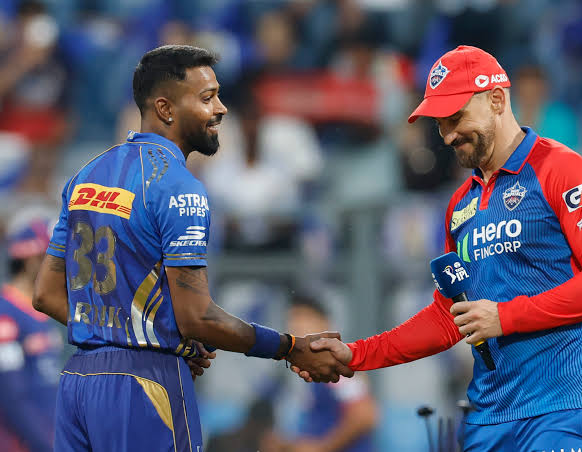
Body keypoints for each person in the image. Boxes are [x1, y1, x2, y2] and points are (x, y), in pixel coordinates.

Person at [296, 45, 582, 451]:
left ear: (497, 100)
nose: (447, 135)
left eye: (455, 118)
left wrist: (506, 317)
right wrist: (354, 355)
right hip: (487, 417)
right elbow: (448, 316)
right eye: (440, 124)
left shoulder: (562, 169)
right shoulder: (459, 206)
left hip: (562, 408)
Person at [31, 45, 353, 452]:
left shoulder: (84, 176)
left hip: (78, 382)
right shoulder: (178, 187)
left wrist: (132, 334)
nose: (221, 109)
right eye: (207, 98)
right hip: (144, 384)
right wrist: (290, 347)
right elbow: (198, 317)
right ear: (165, 109)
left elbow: (45, 295)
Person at [269, 293, 378, 452]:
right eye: (292, 318)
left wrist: (322, 447)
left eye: (304, 317)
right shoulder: (300, 369)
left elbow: (364, 414)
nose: (296, 325)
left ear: (325, 323)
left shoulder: (334, 363)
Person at [0, 210, 63, 452]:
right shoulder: (6, 314)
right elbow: (12, 395)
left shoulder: (43, 311)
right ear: (32, 261)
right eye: (53, 257)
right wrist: (47, 445)